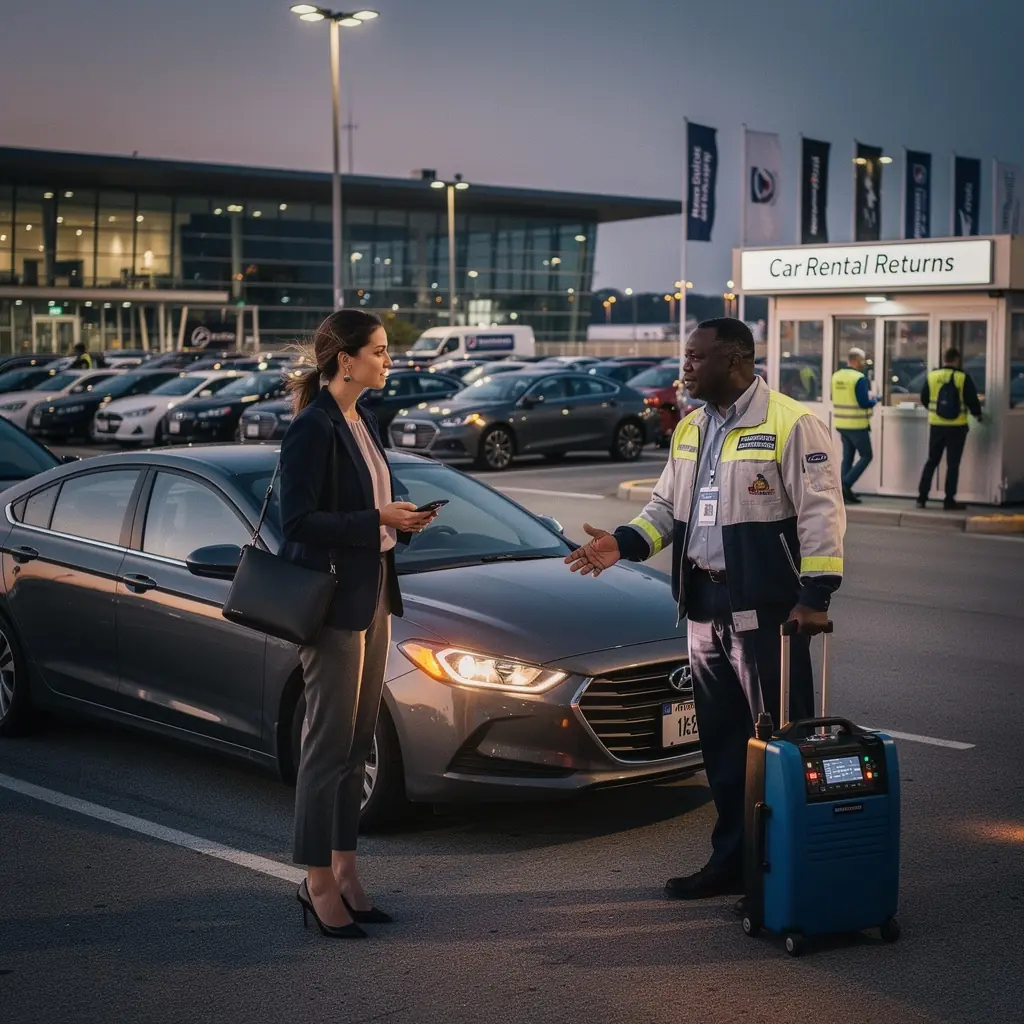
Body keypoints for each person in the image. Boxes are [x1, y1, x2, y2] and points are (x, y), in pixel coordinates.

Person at [565, 318, 845, 901]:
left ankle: (782, 869)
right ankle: (732, 861)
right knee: (721, 743)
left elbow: (822, 514)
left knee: (776, 744)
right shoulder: (691, 428)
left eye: (695, 358)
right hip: (703, 606)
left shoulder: (792, 423)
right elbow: (666, 507)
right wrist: (622, 543)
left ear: (735, 360)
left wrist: (815, 598)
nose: (684, 367)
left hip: (766, 612)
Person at [279, 309, 437, 939]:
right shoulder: (313, 427)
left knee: (354, 746)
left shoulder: (360, 419)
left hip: (374, 594)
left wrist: (399, 522)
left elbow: (366, 511)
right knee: (326, 748)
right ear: (346, 360)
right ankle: (315, 881)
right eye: (378, 351)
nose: (387, 360)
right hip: (334, 602)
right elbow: (299, 521)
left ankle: (346, 870)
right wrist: (379, 518)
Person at [917, 347, 983, 511]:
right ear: (956, 360)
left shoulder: (932, 376)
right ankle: (949, 500)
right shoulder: (962, 377)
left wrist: (936, 412)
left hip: (937, 426)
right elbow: (972, 400)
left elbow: (924, 398)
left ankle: (922, 497)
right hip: (956, 427)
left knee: (932, 461)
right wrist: (978, 415)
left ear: (944, 359)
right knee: (953, 464)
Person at [830, 347, 877, 504]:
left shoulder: (836, 376)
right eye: (862, 361)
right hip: (857, 424)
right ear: (856, 361)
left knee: (848, 457)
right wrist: (876, 400)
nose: (863, 364)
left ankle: (843, 492)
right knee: (867, 455)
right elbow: (864, 403)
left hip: (842, 423)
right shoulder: (859, 378)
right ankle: (846, 484)